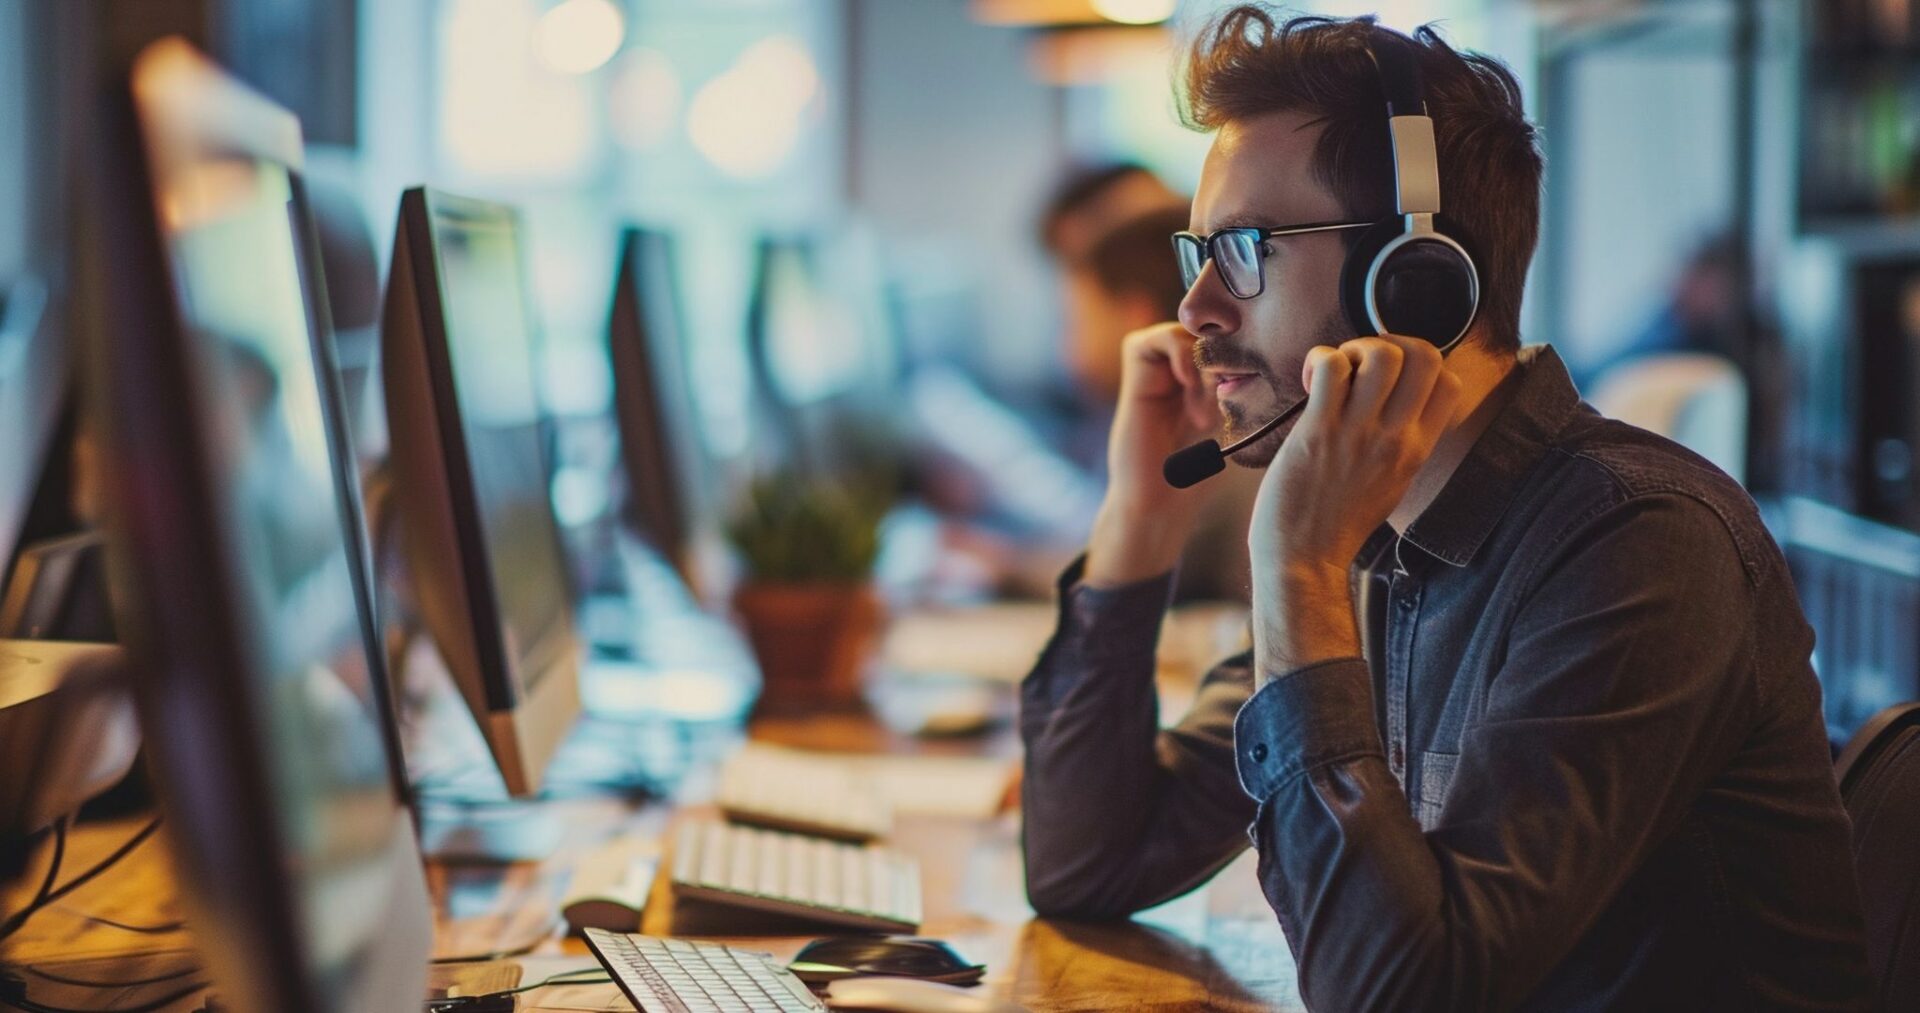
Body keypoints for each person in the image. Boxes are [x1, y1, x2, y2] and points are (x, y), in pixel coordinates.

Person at [1018, 9, 1872, 1011]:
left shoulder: (1640, 541)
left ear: (1413, 285)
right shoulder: (1374, 535)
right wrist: (1137, 523)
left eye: (1244, 248)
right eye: (1198, 252)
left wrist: (1295, 576)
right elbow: (1090, 862)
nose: (1197, 307)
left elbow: (1403, 993)